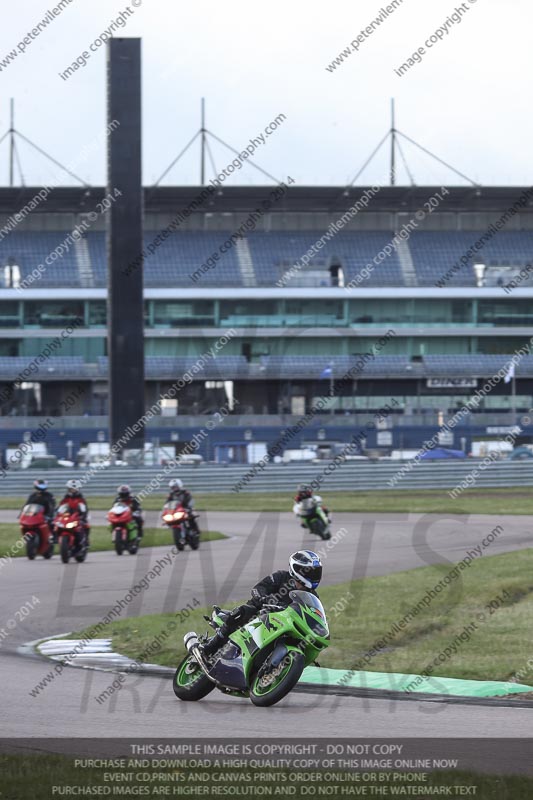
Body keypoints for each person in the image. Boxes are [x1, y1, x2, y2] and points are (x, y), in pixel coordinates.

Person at [200, 551, 323, 658]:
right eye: (311, 572)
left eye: (316, 572)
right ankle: (210, 647)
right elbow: (257, 589)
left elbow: (314, 615)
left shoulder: (312, 596)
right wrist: (266, 599)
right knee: (243, 611)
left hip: (284, 624)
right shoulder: (281, 576)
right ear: (298, 569)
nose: (314, 576)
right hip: (259, 613)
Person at [58, 479, 91, 547]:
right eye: (71, 489)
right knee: (57, 525)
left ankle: (85, 540)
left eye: (74, 489)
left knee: (85, 525)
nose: (73, 491)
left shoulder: (81, 498)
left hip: (77, 517)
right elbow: (60, 507)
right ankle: (53, 539)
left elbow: (84, 508)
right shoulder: (66, 498)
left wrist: (83, 516)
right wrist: (58, 513)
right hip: (67, 517)